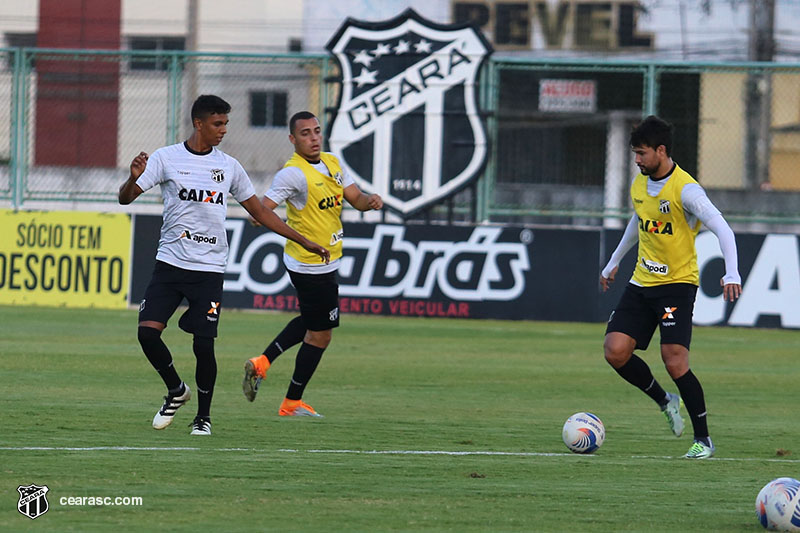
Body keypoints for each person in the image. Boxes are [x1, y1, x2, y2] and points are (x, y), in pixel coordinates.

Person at [119, 95, 329, 436]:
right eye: (218, 124)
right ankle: (176, 390)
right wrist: (133, 178)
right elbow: (125, 198)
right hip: (169, 266)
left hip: (209, 270)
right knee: (146, 334)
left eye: (226, 124)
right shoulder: (165, 158)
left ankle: (203, 418)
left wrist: (302, 239)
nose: (223, 130)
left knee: (203, 345)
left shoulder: (228, 166)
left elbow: (260, 212)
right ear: (199, 123)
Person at [600, 115, 742, 459]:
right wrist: (614, 260)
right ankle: (665, 400)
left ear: (661, 151)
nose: (637, 160)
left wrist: (732, 272)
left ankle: (704, 440)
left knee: (674, 360)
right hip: (640, 282)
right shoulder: (639, 184)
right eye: (635, 153)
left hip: (676, 285)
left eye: (642, 153)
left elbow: (722, 228)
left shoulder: (686, 190)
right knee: (615, 351)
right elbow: (639, 220)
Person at [242, 110, 383, 416]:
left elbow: (354, 198)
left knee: (311, 320)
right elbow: (261, 210)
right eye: (305, 133)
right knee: (321, 334)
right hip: (309, 264)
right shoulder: (292, 173)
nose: (313, 138)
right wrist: (260, 218)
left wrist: (369, 201)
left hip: (327, 260)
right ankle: (291, 402)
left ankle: (262, 363)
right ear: (293, 140)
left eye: (316, 131)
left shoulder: (333, 162)